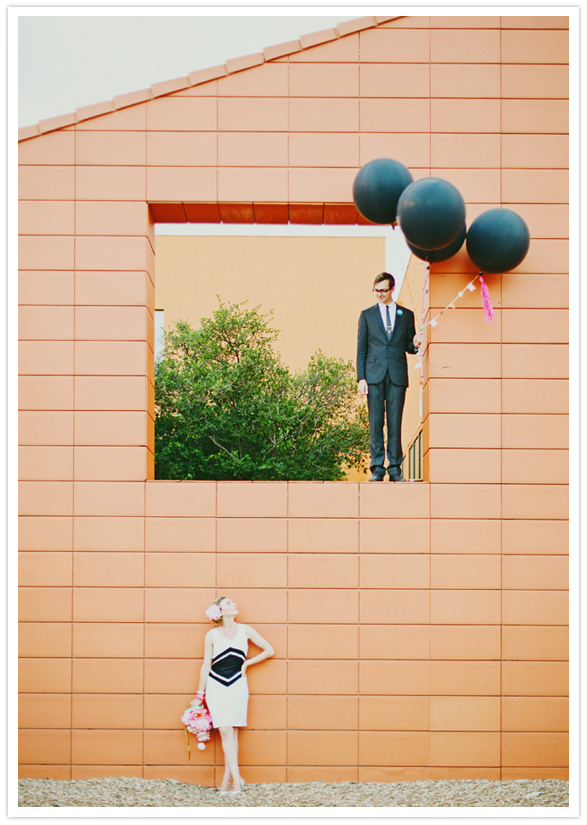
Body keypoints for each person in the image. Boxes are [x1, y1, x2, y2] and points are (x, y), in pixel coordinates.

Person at [192, 596, 274, 793]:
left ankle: (227, 781)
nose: (234, 604)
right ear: (219, 611)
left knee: (233, 732)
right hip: (216, 685)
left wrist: (247, 663)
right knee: (226, 731)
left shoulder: (245, 630)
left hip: (237, 684)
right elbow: (206, 665)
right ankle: (236, 782)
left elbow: (269, 650)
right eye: (228, 603)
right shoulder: (211, 635)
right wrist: (199, 695)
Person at [357, 272, 423, 482]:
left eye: (383, 290)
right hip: (373, 376)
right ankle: (377, 467)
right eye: (376, 290)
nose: (379, 294)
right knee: (376, 422)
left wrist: (414, 344)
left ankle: (395, 468)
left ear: (391, 289)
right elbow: (361, 350)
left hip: (396, 375)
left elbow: (407, 346)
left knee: (395, 422)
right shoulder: (367, 315)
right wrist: (361, 378)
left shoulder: (406, 314)